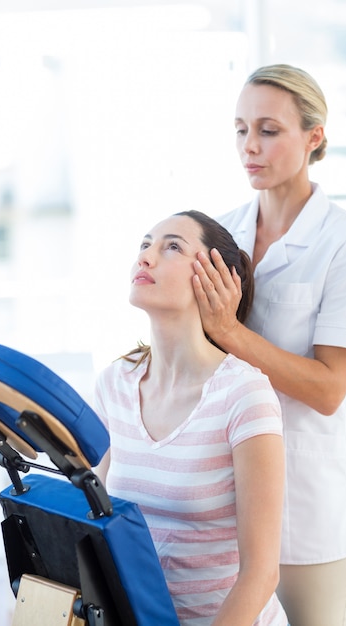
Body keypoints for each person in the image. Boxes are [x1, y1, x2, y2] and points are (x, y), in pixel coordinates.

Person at [192, 63, 346, 626]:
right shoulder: (219, 234)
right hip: (227, 506)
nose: (250, 146)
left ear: (313, 137)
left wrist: (231, 334)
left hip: (308, 515)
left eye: (269, 130)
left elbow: (327, 390)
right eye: (241, 129)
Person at [93, 210, 288, 625]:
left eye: (172, 247)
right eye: (144, 245)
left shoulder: (244, 394)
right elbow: (96, 515)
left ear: (216, 277)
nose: (145, 257)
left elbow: (261, 573)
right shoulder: (116, 383)